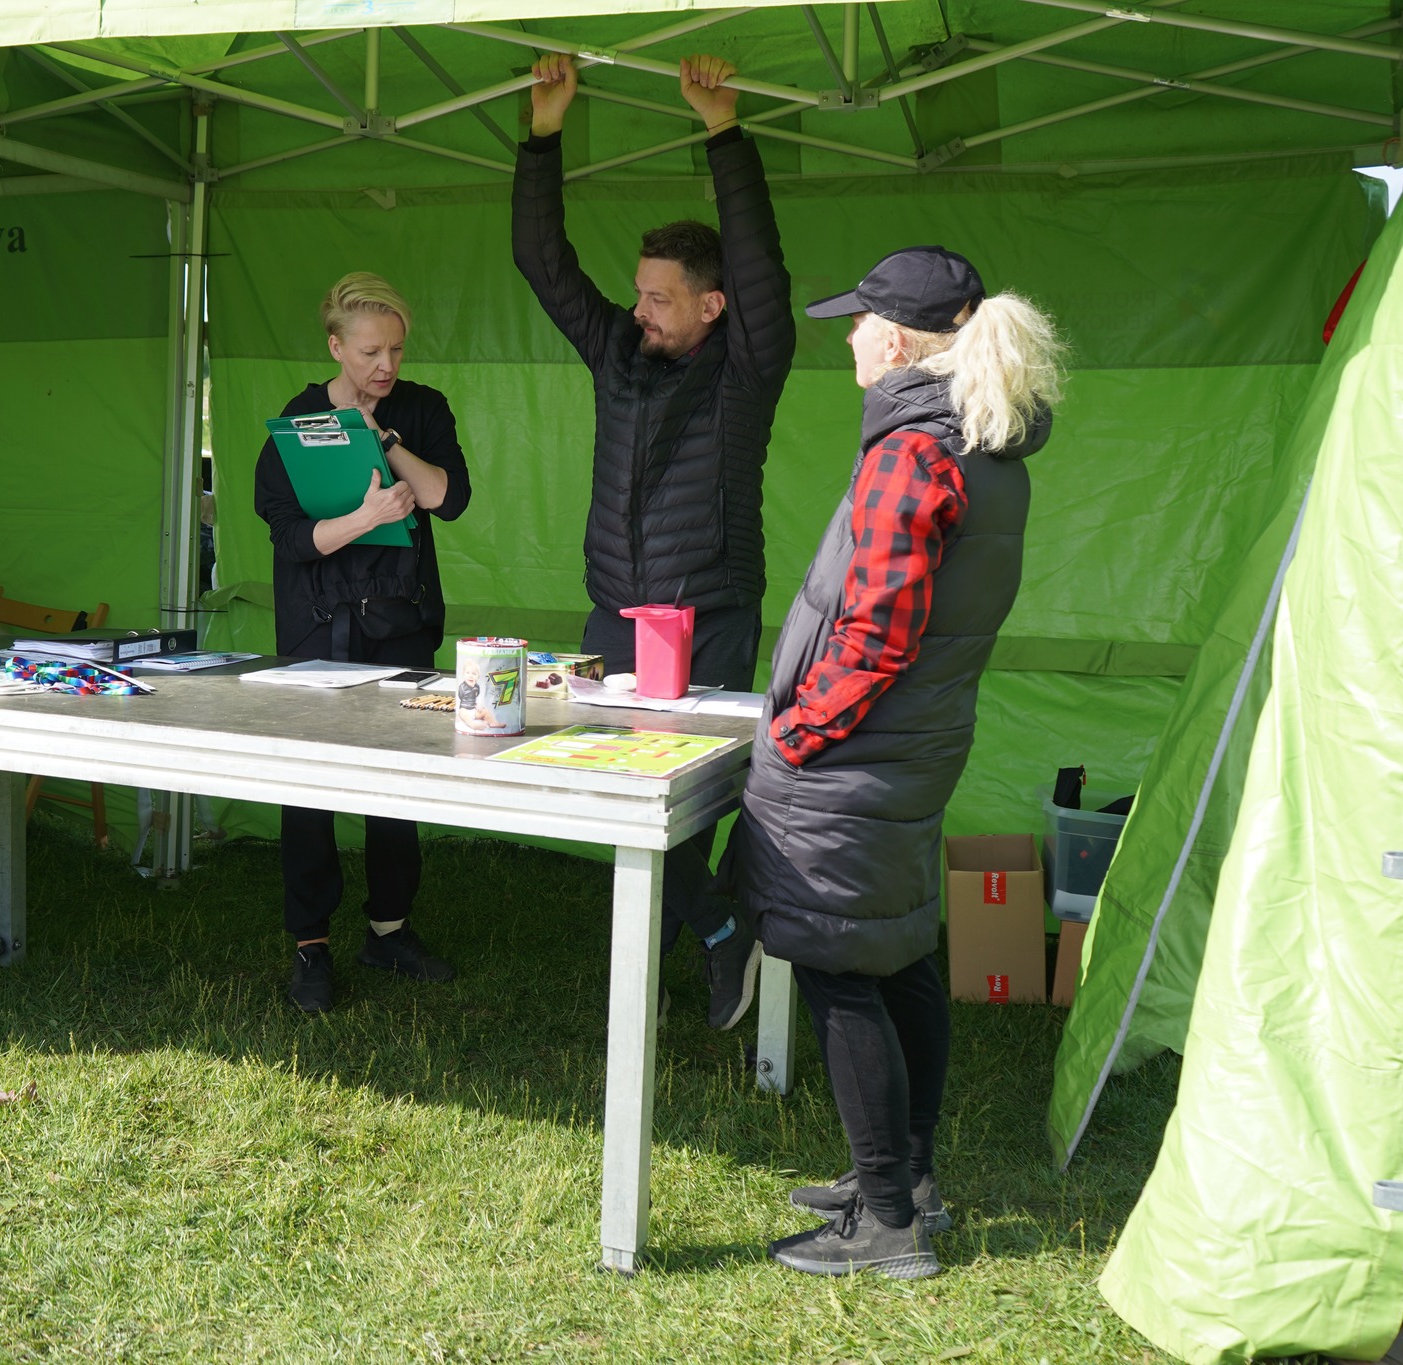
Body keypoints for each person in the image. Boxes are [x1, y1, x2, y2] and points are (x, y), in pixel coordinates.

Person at [729, 248, 1065, 1278]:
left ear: (897, 340)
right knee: (901, 953)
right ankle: (909, 1184)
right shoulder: (983, 444)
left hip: (856, 754)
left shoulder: (912, 453)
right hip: (913, 747)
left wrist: (796, 734)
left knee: (838, 967)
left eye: (858, 320)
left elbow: (874, 636)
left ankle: (885, 1224)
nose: (846, 335)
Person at [513, 52, 795, 1032]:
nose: (637, 309)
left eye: (659, 297)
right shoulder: (616, 352)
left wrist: (723, 131)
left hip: (706, 612)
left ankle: (703, 947)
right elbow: (542, 263)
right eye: (637, 292)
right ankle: (716, 934)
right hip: (615, 613)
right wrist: (542, 136)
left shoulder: (746, 368)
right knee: (619, 794)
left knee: (685, 798)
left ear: (711, 306)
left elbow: (759, 270)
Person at [253, 273, 474, 1014]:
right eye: (371, 351)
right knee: (309, 785)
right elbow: (289, 533)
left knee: (396, 782)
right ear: (335, 346)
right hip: (317, 627)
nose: (386, 364)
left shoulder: (421, 408)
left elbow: (447, 497)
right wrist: (367, 515)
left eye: (397, 350)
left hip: (399, 626)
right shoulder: (299, 420)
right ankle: (310, 942)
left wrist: (385, 441)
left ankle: (389, 930)